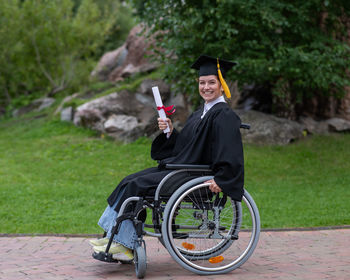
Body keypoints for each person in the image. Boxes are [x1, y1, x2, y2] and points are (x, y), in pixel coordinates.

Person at [90, 55, 244, 262]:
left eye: (211, 82)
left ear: (221, 85)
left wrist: (222, 178)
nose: (206, 87)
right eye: (202, 82)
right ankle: (114, 236)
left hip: (194, 175)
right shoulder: (201, 113)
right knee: (129, 180)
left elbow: (230, 150)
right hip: (183, 168)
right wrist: (170, 131)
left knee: (137, 185)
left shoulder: (224, 115)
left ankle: (124, 244)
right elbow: (188, 146)